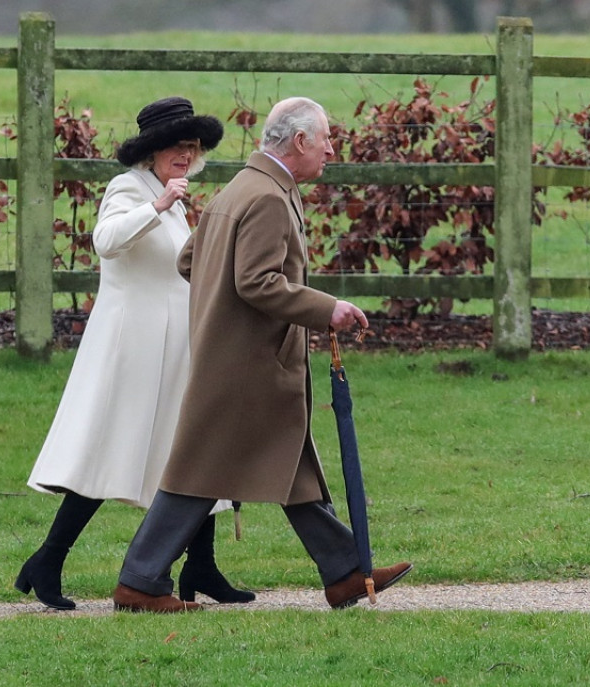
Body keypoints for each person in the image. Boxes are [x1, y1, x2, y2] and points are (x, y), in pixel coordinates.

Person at [112, 96, 413, 613]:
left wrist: (218, 308)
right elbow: (256, 281)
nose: (331, 149)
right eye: (325, 140)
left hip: (247, 361)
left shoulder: (243, 187)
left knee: (291, 463)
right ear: (299, 142)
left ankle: (344, 572)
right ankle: (140, 582)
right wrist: (328, 309)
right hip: (248, 366)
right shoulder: (269, 197)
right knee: (198, 474)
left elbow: (191, 259)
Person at [16, 96, 254, 610]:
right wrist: (159, 206)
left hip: (175, 344)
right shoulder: (130, 189)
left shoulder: (176, 195)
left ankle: (202, 566)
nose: (186, 156)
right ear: (152, 151)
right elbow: (106, 241)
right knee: (107, 454)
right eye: (177, 147)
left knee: (188, 451)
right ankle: (48, 559)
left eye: (193, 147)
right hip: (131, 347)